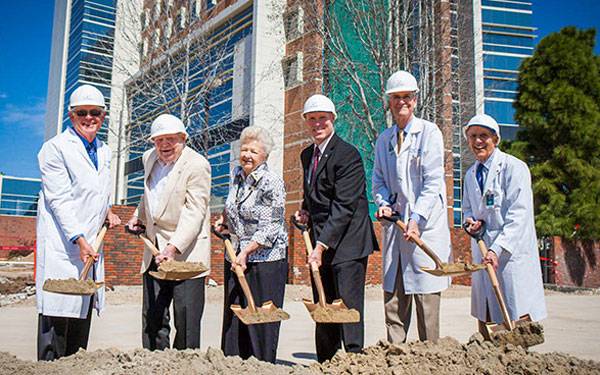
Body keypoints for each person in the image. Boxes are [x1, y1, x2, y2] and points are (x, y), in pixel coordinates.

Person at [36, 84, 121, 361]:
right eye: (81, 112)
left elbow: (94, 192)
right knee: (57, 321)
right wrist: (80, 239)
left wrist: (106, 210)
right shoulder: (55, 149)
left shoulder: (104, 151)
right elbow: (60, 200)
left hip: (88, 247)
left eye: (94, 112)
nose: (89, 117)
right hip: (65, 245)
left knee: (80, 329)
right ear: (71, 116)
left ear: (103, 116)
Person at [294, 94, 379, 363]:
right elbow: (313, 194)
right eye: (312, 119)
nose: (317, 123)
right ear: (307, 122)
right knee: (324, 304)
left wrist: (320, 246)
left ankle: (354, 361)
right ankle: (327, 363)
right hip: (322, 239)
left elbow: (344, 206)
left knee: (348, 307)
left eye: (322, 118)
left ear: (333, 119)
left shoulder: (348, 155)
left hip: (349, 243)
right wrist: (304, 210)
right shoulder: (307, 155)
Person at [372, 70, 451, 344]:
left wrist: (417, 217)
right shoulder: (384, 139)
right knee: (394, 298)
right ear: (389, 102)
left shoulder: (429, 133)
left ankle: (430, 359)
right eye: (396, 97)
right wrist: (383, 204)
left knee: (426, 301)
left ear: (415, 100)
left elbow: (433, 183)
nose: (401, 102)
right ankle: (397, 356)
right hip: (397, 227)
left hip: (424, 228)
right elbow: (379, 180)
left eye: (407, 97)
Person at [126, 113, 211, 351]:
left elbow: (195, 211)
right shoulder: (149, 158)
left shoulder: (197, 165)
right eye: (159, 140)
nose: (164, 145)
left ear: (183, 138)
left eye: (171, 139)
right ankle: (155, 363)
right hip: (154, 250)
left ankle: (184, 366)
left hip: (186, 253)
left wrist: (173, 248)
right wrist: (138, 217)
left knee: (186, 320)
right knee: (153, 318)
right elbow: (150, 194)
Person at [462, 114, 547, 335]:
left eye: (483, 136)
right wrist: (470, 223)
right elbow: (468, 210)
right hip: (483, 251)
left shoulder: (514, 168)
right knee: (487, 314)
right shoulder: (471, 174)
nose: (477, 141)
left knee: (515, 313)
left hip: (509, 255)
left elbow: (519, 215)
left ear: (496, 139)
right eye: (472, 136)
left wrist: (496, 249)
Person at [215, 126, 288, 363]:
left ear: (264, 155)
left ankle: (262, 366)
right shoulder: (237, 176)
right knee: (234, 322)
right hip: (236, 258)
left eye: (253, 151)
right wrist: (224, 222)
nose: (247, 154)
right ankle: (234, 365)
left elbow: (271, 226)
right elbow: (233, 208)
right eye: (244, 149)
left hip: (265, 261)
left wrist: (246, 251)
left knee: (261, 324)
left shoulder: (272, 182)